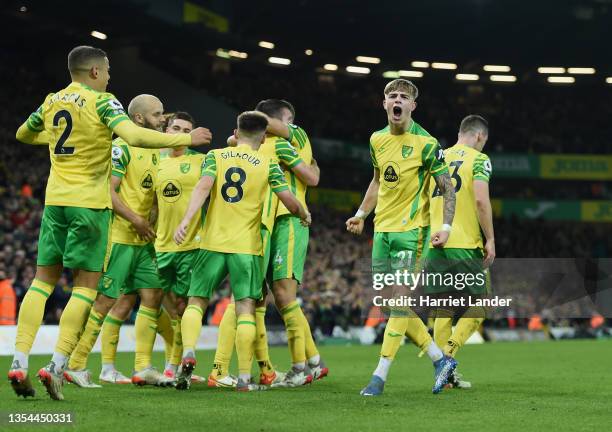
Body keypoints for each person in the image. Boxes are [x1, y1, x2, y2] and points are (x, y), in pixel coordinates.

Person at [9, 45, 211, 400]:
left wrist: (54, 139)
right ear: (95, 73)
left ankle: (19, 360)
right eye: (108, 71)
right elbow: (132, 136)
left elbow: (23, 135)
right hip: (90, 206)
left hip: (55, 202)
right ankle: (57, 365)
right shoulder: (104, 102)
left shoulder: (52, 100)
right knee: (86, 290)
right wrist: (184, 138)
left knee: (42, 283)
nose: (110, 77)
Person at [173, 111, 311, 391]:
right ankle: (245, 378)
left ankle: (188, 353)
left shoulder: (216, 156)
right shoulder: (268, 163)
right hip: (246, 248)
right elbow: (289, 200)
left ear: (236, 133)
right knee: (246, 308)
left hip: (211, 242)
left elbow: (203, 186)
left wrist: (186, 221)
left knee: (196, 302)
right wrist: (304, 212)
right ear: (263, 136)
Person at [63, 95, 188, 388]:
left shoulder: (157, 152)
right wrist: (137, 219)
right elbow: (109, 191)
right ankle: (77, 363)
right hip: (120, 236)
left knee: (154, 295)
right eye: (157, 115)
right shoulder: (121, 148)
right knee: (106, 300)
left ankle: (143, 366)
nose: (163, 119)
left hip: (144, 241)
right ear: (140, 119)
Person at [345, 79, 457, 396]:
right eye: (392, 96)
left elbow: (447, 188)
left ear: (412, 106)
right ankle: (439, 361)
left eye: (403, 97)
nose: (397, 100)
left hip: (413, 233)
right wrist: (361, 214)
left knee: (399, 303)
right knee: (391, 303)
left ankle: (379, 376)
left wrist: (445, 227)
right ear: (384, 104)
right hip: (383, 230)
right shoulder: (376, 140)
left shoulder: (426, 143)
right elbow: (378, 181)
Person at [424, 115, 494, 389]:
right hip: (464, 243)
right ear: (479, 136)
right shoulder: (479, 159)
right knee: (482, 304)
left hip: (436, 242)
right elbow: (480, 199)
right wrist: (490, 238)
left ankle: (445, 375)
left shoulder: (438, 157)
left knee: (444, 307)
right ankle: (448, 355)